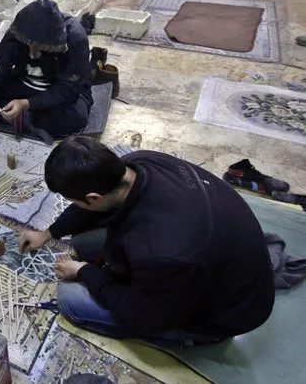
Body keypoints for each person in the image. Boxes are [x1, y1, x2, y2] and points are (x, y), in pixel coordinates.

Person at [19, 137, 275, 346]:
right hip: (206, 250)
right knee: (83, 242)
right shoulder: (140, 162)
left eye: (74, 199)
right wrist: (49, 233)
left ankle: (197, 338)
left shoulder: (163, 252)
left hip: (226, 312)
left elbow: (142, 313)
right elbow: (89, 205)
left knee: (70, 299)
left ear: (93, 196)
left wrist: (86, 272)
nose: (75, 204)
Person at [0, 0, 93, 149]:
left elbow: (68, 89)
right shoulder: (18, 31)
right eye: (28, 44)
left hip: (58, 92)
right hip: (24, 84)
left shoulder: (75, 37)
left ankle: (20, 115)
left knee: (74, 120)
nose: (32, 49)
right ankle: (22, 116)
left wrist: (26, 104)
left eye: (39, 46)